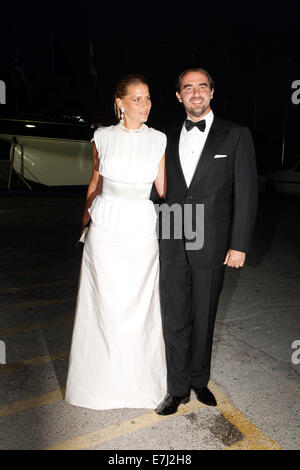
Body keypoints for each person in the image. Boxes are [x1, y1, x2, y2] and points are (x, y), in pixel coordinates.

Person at [156, 67, 258, 415]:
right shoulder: (164, 136)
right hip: (171, 228)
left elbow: (246, 193)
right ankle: (177, 387)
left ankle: (199, 379)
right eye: (188, 88)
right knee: (174, 314)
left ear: (212, 92)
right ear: (178, 96)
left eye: (202, 87)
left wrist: (239, 244)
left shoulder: (236, 134)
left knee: (204, 313)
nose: (195, 93)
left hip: (211, 237)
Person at [65, 74, 167, 410]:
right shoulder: (101, 137)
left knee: (140, 307)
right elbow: (95, 180)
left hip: (140, 226)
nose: (145, 105)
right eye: (137, 99)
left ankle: (140, 386)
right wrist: (85, 223)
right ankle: (98, 386)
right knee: (102, 306)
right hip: (106, 225)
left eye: (148, 98)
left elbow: (165, 191)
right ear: (119, 103)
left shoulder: (159, 140)